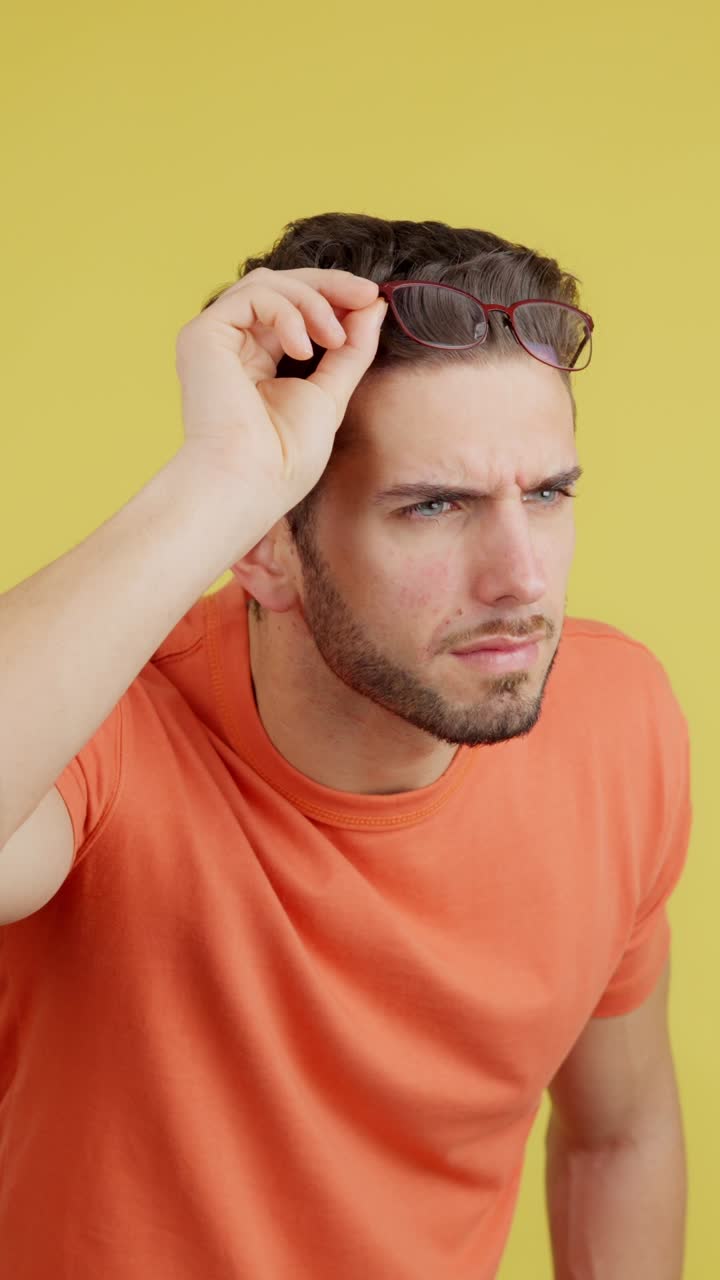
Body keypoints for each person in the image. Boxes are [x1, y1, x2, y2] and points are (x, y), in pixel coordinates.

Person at [0, 213, 692, 1279]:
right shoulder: (102, 730)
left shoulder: (618, 718)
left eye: (548, 493)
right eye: (434, 505)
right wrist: (222, 476)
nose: (521, 575)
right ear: (265, 547)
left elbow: (620, 1132)